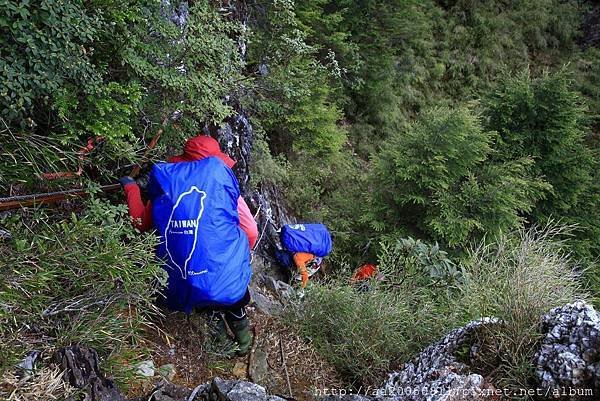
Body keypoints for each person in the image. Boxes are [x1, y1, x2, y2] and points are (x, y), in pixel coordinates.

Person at [119, 135, 258, 356]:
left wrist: (131, 189)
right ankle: (244, 345)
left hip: (190, 279)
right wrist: (235, 257)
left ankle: (221, 348)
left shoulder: (167, 188)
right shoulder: (221, 186)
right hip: (229, 275)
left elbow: (139, 222)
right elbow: (251, 232)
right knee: (234, 303)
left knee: (206, 305)